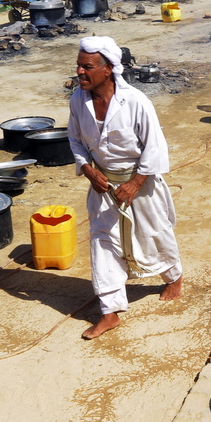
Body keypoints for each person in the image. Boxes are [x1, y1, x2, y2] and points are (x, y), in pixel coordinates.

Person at [68, 37, 183, 339]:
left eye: (87, 67)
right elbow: (76, 141)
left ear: (108, 69)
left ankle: (173, 277)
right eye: (79, 66)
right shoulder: (78, 100)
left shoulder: (136, 102)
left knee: (154, 232)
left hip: (139, 182)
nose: (80, 72)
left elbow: (155, 147)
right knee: (102, 241)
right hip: (102, 185)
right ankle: (110, 311)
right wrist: (88, 170)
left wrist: (135, 183)